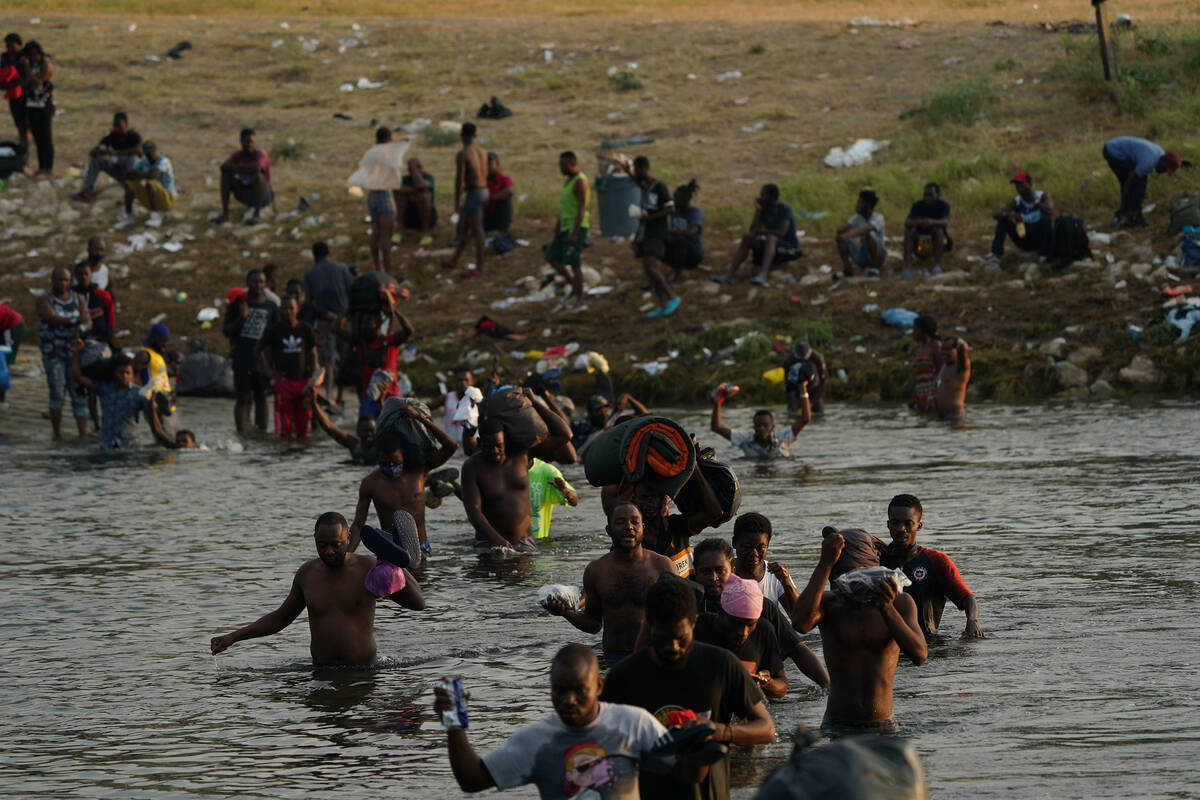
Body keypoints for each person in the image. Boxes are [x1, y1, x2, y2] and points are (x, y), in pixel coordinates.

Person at [601, 576, 776, 800]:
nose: (672, 647)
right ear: (648, 625)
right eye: (662, 638)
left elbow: (765, 729)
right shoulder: (625, 675)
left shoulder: (721, 665)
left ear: (694, 622)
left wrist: (718, 731)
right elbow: (600, 741)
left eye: (680, 638)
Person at [433, 644, 669, 798]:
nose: (569, 700)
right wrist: (454, 725)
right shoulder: (537, 742)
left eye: (579, 690)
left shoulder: (633, 724)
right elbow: (472, 780)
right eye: (560, 690)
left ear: (599, 686)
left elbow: (685, 769)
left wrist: (699, 734)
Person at [210, 511, 424, 667]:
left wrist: (393, 565)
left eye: (336, 544)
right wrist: (233, 637)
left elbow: (418, 604)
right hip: (322, 673)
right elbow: (281, 618)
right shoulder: (307, 574)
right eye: (322, 545)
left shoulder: (369, 567)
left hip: (363, 673)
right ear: (315, 540)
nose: (329, 551)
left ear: (348, 538)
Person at [791, 527, 927, 737]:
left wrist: (887, 609)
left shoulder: (900, 603)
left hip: (883, 726)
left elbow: (919, 655)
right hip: (837, 724)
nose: (852, 586)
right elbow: (800, 623)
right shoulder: (829, 603)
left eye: (859, 578)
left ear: (874, 571)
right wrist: (824, 563)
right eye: (843, 578)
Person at [692, 538, 829, 688]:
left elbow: (796, 649)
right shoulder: (689, 609)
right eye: (706, 571)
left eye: (720, 570)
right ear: (695, 573)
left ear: (733, 571)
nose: (713, 578)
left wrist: (828, 687)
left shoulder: (757, 607)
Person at [546, 503, 675, 659]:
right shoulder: (596, 571)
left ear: (643, 527)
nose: (629, 527)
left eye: (635, 522)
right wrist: (565, 613)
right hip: (613, 658)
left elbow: (678, 617)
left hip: (654, 656)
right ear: (609, 531)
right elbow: (593, 624)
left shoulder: (662, 565)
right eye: (620, 522)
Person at [461, 396, 572, 555]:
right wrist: (498, 540)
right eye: (488, 447)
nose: (495, 451)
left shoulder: (522, 456)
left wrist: (535, 402)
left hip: (524, 542)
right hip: (488, 543)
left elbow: (564, 435)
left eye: (499, 446)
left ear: (506, 441)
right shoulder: (472, 467)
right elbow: (473, 510)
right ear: (479, 443)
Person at [350, 414, 459, 556]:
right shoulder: (370, 483)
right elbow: (358, 525)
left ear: (404, 456)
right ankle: (434, 485)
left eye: (395, 462)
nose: (390, 466)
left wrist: (421, 419)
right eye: (384, 462)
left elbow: (452, 446)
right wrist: (347, 555)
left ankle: (433, 485)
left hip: (421, 549)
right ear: (377, 457)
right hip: (392, 551)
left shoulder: (419, 473)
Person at [880, 494, 984, 639]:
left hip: (927, 642)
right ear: (888, 525)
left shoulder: (937, 561)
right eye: (895, 523)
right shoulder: (875, 558)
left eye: (908, 523)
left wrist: (972, 621)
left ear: (919, 526)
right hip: (886, 644)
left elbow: (967, 598)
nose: (901, 529)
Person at [693, 575, 788, 699]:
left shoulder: (763, 631)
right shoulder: (696, 629)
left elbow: (782, 686)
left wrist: (766, 683)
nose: (743, 632)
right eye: (737, 624)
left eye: (750, 625)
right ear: (721, 612)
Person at [69, 340, 174, 449]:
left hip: (130, 446)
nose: (124, 376)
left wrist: (172, 447)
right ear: (114, 373)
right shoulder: (104, 388)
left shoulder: (139, 394)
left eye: (127, 373)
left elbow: (155, 427)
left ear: (132, 374)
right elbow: (78, 377)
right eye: (121, 372)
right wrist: (77, 353)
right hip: (107, 445)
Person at [334, 288, 414, 419]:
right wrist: (350, 309)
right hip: (369, 398)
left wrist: (394, 311)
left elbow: (409, 330)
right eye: (364, 324)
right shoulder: (360, 343)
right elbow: (335, 328)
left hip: (391, 397)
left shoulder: (389, 341)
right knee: (368, 432)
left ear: (378, 324)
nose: (366, 327)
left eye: (369, 323)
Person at [222, 268, 278, 433]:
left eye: (261, 281)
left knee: (261, 397)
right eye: (254, 281)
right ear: (247, 283)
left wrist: (274, 364)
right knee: (243, 398)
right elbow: (226, 331)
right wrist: (241, 319)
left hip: (263, 361)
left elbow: (275, 335)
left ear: (265, 284)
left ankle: (261, 433)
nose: (258, 285)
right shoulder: (237, 305)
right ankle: (242, 433)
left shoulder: (271, 307)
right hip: (242, 358)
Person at [37, 266, 89, 440]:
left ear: (70, 281)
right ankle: (57, 434)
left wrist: (81, 326)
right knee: (57, 392)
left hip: (74, 353)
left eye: (66, 280)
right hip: (54, 354)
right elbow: (51, 318)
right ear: (52, 280)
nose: (62, 283)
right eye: (59, 279)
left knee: (78, 393)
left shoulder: (78, 298)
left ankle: (82, 434)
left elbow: (88, 322)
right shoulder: (45, 299)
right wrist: (74, 320)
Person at [256, 294, 318, 438]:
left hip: (304, 383)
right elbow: (257, 350)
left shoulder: (305, 329)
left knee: (304, 430)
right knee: (284, 430)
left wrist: (314, 379)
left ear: (298, 309)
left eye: (291, 308)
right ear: (279, 310)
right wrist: (268, 371)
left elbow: (313, 353)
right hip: (283, 383)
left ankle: (301, 459)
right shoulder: (274, 330)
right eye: (284, 308)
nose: (288, 311)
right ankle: (285, 458)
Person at [715, 183, 800, 286]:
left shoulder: (784, 209)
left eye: (763, 194)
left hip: (788, 248)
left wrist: (762, 232)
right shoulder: (764, 210)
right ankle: (729, 276)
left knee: (771, 238)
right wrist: (758, 211)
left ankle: (762, 275)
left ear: (772, 196)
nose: (760, 197)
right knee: (747, 238)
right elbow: (753, 230)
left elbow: (782, 232)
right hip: (772, 247)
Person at [303, 241, 353, 410]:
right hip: (344, 320)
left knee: (329, 360)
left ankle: (329, 396)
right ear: (328, 253)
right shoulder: (342, 268)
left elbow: (309, 303)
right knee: (344, 358)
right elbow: (351, 292)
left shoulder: (310, 273)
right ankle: (339, 397)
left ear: (314, 256)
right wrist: (343, 315)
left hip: (326, 322)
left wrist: (326, 315)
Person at [631, 156, 681, 318]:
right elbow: (643, 215)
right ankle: (663, 303)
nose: (636, 173)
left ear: (644, 168)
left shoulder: (659, 187)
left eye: (637, 170)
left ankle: (672, 296)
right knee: (649, 269)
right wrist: (637, 237)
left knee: (652, 267)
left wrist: (650, 219)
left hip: (658, 233)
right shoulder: (645, 190)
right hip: (647, 233)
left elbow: (670, 209)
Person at [710, 382, 810, 460]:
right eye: (758, 425)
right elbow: (716, 427)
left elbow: (805, 419)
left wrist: (803, 390)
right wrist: (718, 402)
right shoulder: (745, 439)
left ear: (772, 427)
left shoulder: (782, 438)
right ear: (753, 427)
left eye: (765, 425)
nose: (761, 428)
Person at [1102, 136, 1184, 228]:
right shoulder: (1150, 161)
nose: (1164, 172)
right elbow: (1129, 182)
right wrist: (1129, 195)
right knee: (1133, 183)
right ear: (1163, 162)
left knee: (1139, 183)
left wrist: (1139, 194)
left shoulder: (1159, 155)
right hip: (1113, 151)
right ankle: (1129, 216)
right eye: (1165, 169)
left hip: (1117, 148)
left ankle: (1130, 214)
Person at [546, 151, 591, 310]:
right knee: (552, 256)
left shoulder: (580, 182)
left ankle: (580, 299)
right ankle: (574, 285)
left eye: (563, 165)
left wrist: (575, 232)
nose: (561, 169)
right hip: (565, 226)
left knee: (574, 263)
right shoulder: (568, 182)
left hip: (575, 227)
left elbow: (581, 208)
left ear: (573, 164)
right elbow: (565, 206)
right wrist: (558, 224)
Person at [731, 513, 799, 614]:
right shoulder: (724, 573)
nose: (754, 554)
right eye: (747, 547)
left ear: (767, 546)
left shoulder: (775, 574)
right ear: (734, 543)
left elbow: (800, 619)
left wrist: (786, 582)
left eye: (760, 548)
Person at [444, 122, 488, 277]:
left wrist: (456, 202)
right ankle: (454, 259)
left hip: (473, 193)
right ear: (475, 135)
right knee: (465, 227)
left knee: (477, 229)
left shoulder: (463, 154)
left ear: (461, 135)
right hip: (484, 190)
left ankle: (480, 266)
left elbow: (459, 180)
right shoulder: (483, 152)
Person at [984, 171, 1054, 263]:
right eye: (1017, 185)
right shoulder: (1016, 201)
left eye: (1022, 185)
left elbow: (1050, 211)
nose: (1019, 188)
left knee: (1046, 219)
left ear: (1029, 184)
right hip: (1023, 237)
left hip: (1039, 239)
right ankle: (995, 254)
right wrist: (1010, 215)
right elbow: (997, 214)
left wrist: (1034, 200)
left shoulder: (1041, 195)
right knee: (1003, 221)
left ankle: (1043, 255)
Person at [71, 111, 141, 202]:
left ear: (126, 124)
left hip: (132, 172)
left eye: (120, 125)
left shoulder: (133, 136)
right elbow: (93, 152)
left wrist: (116, 153)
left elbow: (138, 150)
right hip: (118, 170)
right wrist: (104, 151)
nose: (118, 128)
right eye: (116, 125)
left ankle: (133, 189)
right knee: (96, 160)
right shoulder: (111, 137)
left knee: (130, 158)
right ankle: (86, 192)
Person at [214, 127, 272, 226]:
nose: (250, 144)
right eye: (247, 142)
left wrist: (237, 168)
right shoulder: (238, 155)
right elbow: (223, 167)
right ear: (241, 142)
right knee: (226, 176)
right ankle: (225, 214)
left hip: (263, 196)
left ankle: (256, 216)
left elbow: (258, 167)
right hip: (246, 193)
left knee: (258, 177)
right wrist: (245, 168)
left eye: (252, 142)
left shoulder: (261, 154)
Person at [361, 126, 400, 275]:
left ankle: (377, 267)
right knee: (385, 237)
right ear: (389, 139)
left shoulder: (370, 155)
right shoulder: (388, 155)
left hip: (372, 196)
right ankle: (388, 270)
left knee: (375, 233)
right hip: (384, 195)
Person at [311, 386, 379, 464]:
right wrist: (314, 403)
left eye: (372, 430)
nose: (369, 434)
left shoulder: (380, 447)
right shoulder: (354, 444)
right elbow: (328, 427)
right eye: (365, 431)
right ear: (358, 432)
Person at [117, 139, 175, 228]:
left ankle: (156, 217)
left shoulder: (163, 161)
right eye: (147, 153)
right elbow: (128, 174)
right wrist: (143, 174)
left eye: (151, 152)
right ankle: (129, 217)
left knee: (150, 183)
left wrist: (139, 174)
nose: (150, 155)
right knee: (129, 184)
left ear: (155, 151)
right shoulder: (143, 162)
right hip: (152, 198)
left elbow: (152, 176)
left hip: (166, 199)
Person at [902, 182, 951, 274]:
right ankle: (908, 268)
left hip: (937, 239)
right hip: (919, 240)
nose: (927, 198)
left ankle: (937, 266)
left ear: (938, 195)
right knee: (909, 232)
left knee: (939, 232)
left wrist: (932, 222)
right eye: (925, 195)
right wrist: (917, 222)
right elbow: (907, 222)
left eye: (931, 195)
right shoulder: (917, 205)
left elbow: (945, 221)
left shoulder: (944, 206)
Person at [836, 189, 885, 277]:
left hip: (878, 256)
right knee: (840, 238)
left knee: (868, 233)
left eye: (860, 203)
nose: (857, 205)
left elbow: (867, 229)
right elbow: (842, 229)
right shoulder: (857, 218)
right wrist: (841, 231)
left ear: (868, 205)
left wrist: (848, 235)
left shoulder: (878, 217)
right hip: (863, 257)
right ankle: (847, 270)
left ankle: (875, 267)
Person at [21, 41, 52, 179]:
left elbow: (37, 82)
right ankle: (41, 167)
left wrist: (27, 68)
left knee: (46, 138)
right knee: (38, 138)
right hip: (31, 105)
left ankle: (48, 168)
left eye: (34, 54)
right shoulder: (32, 66)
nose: (32, 57)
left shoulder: (46, 65)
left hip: (44, 106)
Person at [528, 456, 578, 539]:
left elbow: (574, 501)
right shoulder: (501, 469)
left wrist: (565, 491)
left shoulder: (546, 470)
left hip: (538, 544)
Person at [665, 179, 704, 282]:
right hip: (676, 249)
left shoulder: (695, 212)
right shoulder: (674, 210)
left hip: (693, 254)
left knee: (680, 241)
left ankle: (676, 278)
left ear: (686, 199)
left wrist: (672, 232)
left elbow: (691, 232)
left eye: (677, 198)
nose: (674, 200)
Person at [395, 157, 435, 246]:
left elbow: (422, 185)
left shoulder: (428, 177)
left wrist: (414, 171)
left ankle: (425, 232)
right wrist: (416, 190)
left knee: (424, 196)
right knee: (399, 196)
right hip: (408, 219)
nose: (413, 170)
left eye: (417, 167)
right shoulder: (405, 179)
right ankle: (400, 230)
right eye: (411, 168)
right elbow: (397, 189)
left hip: (428, 219)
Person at [783, 340, 827, 414]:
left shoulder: (817, 358)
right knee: (792, 409)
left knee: (818, 409)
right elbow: (787, 382)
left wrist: (812, 402)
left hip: (814, 387)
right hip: (795, 388)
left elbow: (824, 381)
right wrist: (793, 395)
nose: (802, 360)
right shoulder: (789, 360)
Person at [2, 33, 28, 152]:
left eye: (12, 46)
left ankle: (24, 146)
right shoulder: (5, 57)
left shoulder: (25, 57)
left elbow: (27, 76)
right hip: (13, 95)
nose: (9, 49)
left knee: (26, 124)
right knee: (18, 122)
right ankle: (22, 145)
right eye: (7, 46)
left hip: (24, 94)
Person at [910, 315, 941, 412]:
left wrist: (936, 395)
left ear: (924, 331)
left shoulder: (936, 345)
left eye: (915, 329)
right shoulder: (920, 346)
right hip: (920, 393)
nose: (913, 332)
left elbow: (942, 370)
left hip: (933, 393)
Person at [935, 336, 969, 423]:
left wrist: (958, 341)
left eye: (948, 349)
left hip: (955, 416)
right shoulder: (944, 367)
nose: (944, 352)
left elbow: (964, 348)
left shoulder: (960, 367)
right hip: (942, 418)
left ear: (956, 350)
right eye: (942, 349)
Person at [482, 151, 514, 234]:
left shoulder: (504, 179)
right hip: (485, 216)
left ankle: (503, 230)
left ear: (497, 165)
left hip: (497, 216)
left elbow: (510, 191)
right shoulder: (480, 180)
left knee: (505, 201)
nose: (487, 167)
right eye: (485, 164)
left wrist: (490, 198)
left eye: (490, 164)